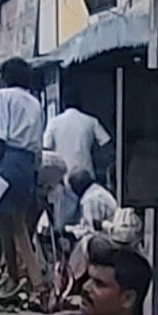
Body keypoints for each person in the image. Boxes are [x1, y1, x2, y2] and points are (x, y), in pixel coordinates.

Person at [0, 58, 47, 295]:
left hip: (8, 160)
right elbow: (38, 146)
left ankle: (34, 281)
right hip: (27, 165)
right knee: (9, 221)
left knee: (11, 222)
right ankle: (13, 276)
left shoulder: (4, 96)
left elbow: (0, 137)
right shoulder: (35, 102)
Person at [45, 89, 111, 244]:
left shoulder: (54, 122)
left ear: (63, 103)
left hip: (63, 181)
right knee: (87, 226)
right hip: (86, 178)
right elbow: (107, 143)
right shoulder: (90, 120)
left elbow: (46, 148)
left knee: (63, 226)